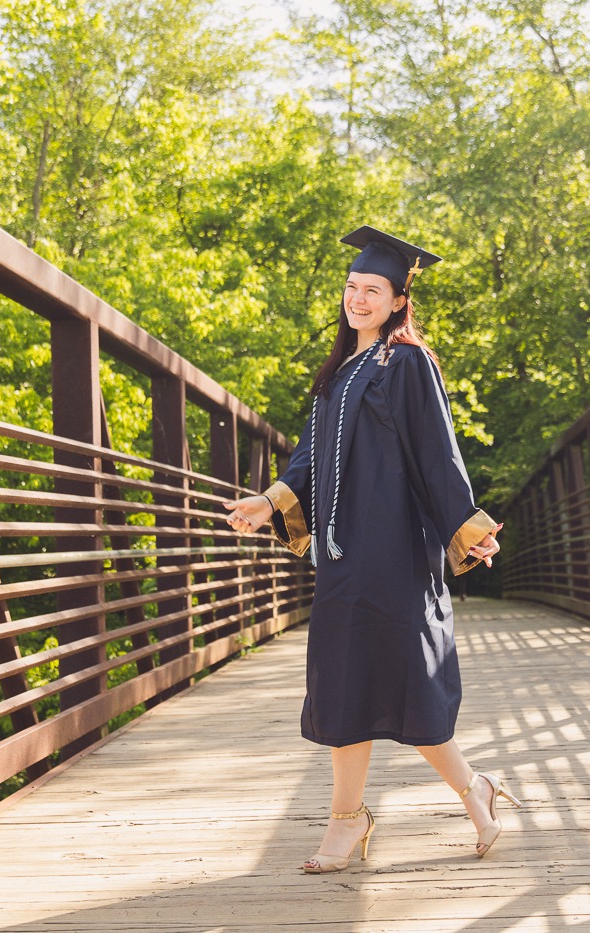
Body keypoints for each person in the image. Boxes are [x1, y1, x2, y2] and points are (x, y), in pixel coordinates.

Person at [222, 226, 520, 874]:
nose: (358, 298)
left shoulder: (405, 362)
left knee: (411, 686)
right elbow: (307, 458)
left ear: (396, 300)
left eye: (372, 289)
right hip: (341, 556)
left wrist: (466, 523)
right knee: (344, 685)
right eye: (352, 287)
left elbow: (439, 450)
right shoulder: (337, 373)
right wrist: (268, 500)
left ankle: (476, 791)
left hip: (394, 553)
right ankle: (346, 819)